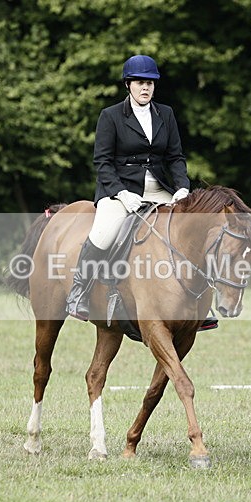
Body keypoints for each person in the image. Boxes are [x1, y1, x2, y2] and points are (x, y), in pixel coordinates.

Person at [65, 54, 191, 320]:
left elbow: (175, 157)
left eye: (150, 83)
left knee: (190, 226)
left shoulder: (165, 114)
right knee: (104, 232)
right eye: (139, 83)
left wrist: (181, 187)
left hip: (158, 188)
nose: (145, 88)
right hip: (119, 189)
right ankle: (79, 293)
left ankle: (198, 304)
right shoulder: (110, 116)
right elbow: (102, 162)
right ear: (128, 85)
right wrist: (121, 193)